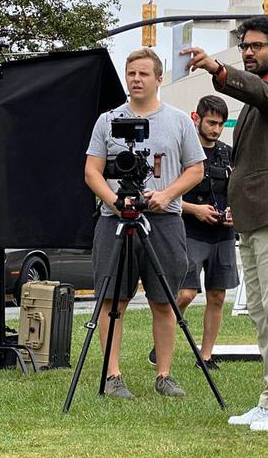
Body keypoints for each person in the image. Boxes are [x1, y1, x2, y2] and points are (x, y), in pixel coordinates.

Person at [183, 15, 268, 433]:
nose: (247, 51)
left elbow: (262, 91)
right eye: (244, 46)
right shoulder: (259, 99)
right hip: (254, 215)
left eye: (256, 46)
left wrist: (219, 70)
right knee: (262, 309)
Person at [84, 48, 205, 400]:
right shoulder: (108, 120)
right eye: (131, 73)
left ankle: (164, 374)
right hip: (115, 220)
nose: (136, 79)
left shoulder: (179, 120)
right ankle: (113, 374)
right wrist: (113, 200)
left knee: (164, 300)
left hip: (163, 219)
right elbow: (92, 170)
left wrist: (167, 195)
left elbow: (195, 169)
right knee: (112, 299)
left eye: (143, 74)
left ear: (158, 78)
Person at [157, 95, 238, 373]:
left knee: (218, 296)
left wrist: (232, 211)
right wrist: (195, 210)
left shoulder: (228, 153)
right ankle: (163, 336)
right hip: (189, 231)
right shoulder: (183, 153)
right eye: (211, 122)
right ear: (197, 118)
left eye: (220, 124)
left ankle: (205, 356)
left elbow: (236, 190)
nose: (216, 129)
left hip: (223, 235)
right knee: (187, 293)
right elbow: (168, 195)